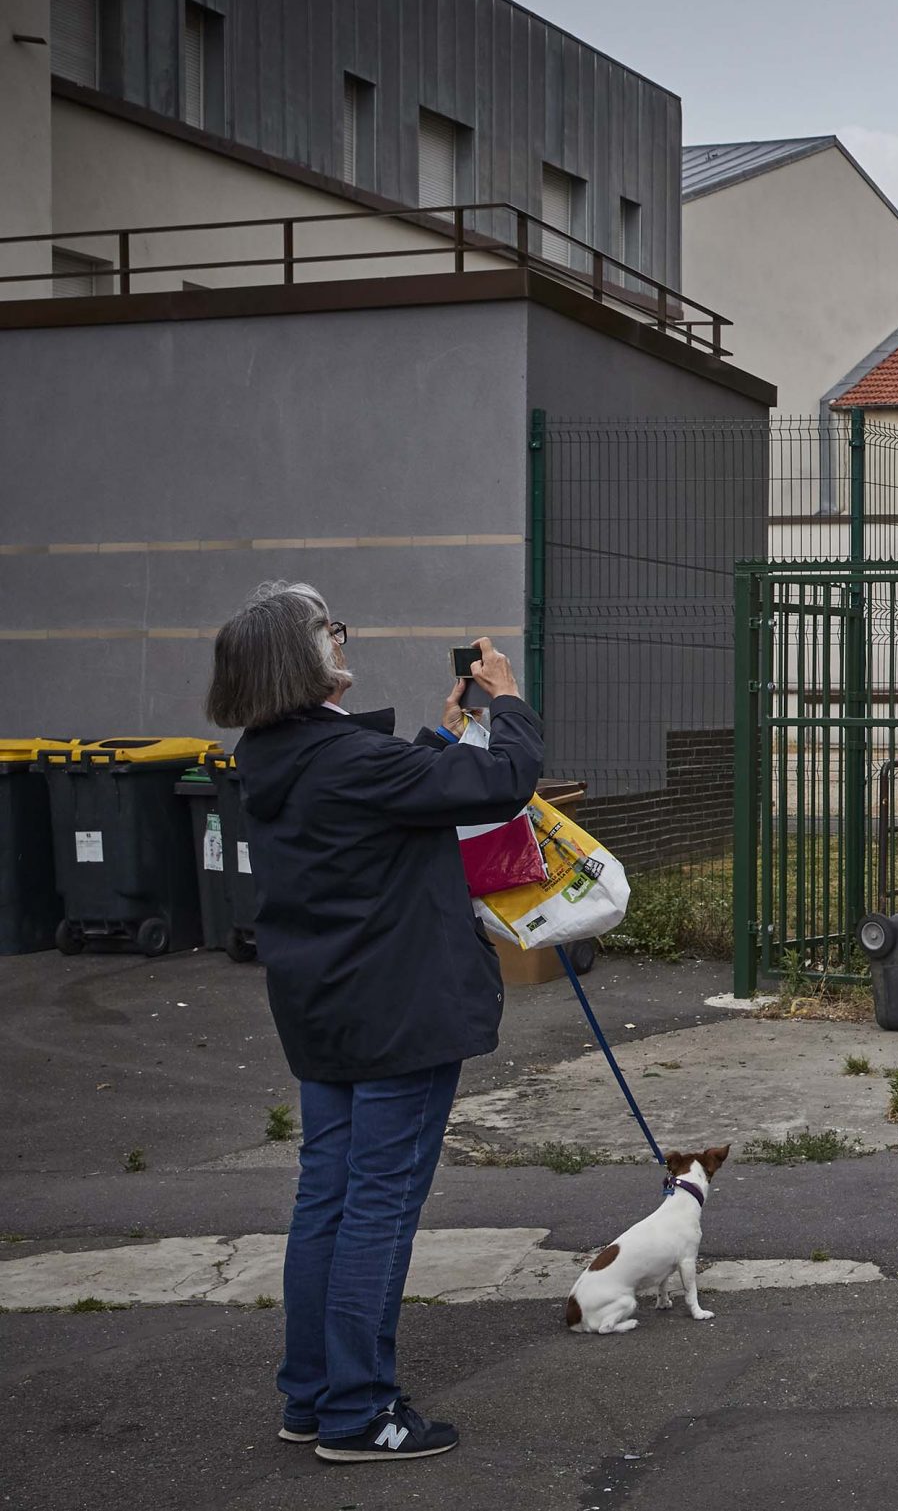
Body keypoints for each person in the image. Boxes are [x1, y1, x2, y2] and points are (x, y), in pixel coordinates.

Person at [207, 582, 542, 1463]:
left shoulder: (274, 756)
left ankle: (311, 1396)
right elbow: (504, 780)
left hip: (327, 1012)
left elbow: (388, 803)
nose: (340, 639)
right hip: (399, 1011)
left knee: (327, 1199)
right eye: (328, 631)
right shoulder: (349, 761)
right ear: (296, 660)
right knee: (378, 1208)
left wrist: (441, 741)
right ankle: (360, 1410)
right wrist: (505, 702)